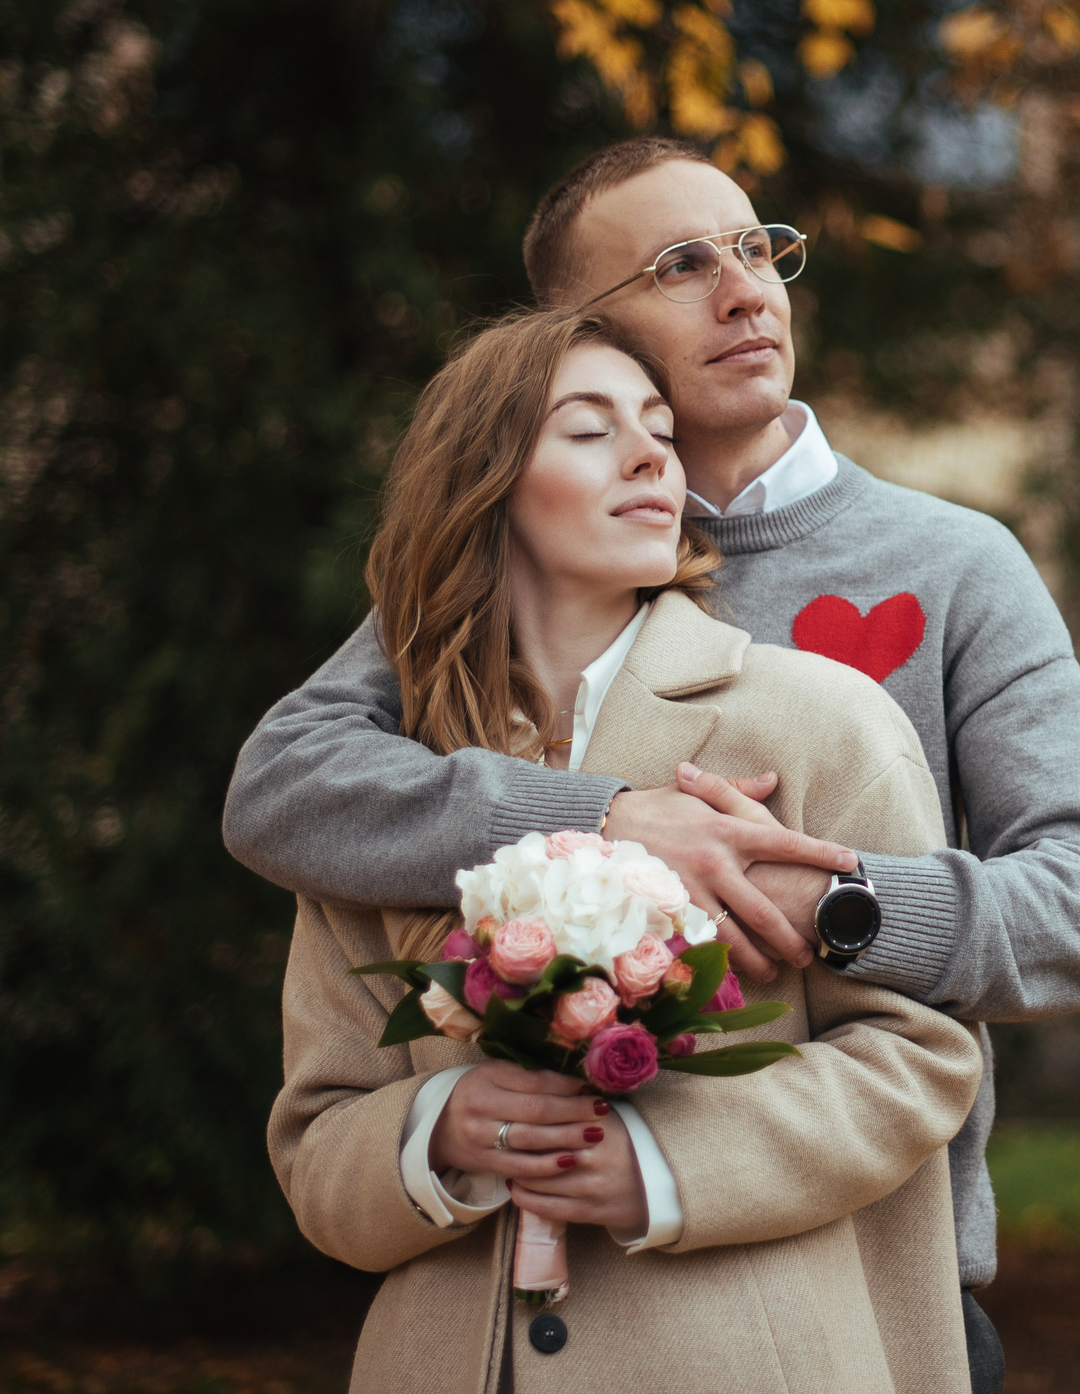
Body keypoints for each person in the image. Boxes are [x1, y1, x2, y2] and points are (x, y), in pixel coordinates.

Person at [228, 137, 1080, 1392]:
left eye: (756, 247)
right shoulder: (518, 577)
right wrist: (610, 819)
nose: (744, 289)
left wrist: (836, 904)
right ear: (570, 337)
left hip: (853, 1283)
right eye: (679, 264)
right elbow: (289, 783)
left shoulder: (953, 564)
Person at [271, 309, 985, 1393]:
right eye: (588, 428)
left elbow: (921, 1055)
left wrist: (659, 1162)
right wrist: (436, 1128)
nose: (655, 452)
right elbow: (316, 1139)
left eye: (657, 425)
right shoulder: (393, 782)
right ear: (485, 481)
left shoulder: (818, 721)